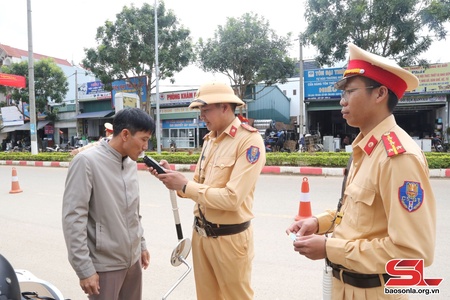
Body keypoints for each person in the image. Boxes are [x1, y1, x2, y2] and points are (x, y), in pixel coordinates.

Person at [286, 43, 436, 299]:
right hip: (344, 288)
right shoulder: (366, 147)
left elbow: (414, 253)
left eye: (349, 92)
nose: (342, 101)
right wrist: (318, 222)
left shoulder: (398, 157)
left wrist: (330, 249)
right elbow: (356, 214)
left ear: (380, 94)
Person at [149, 81, 266, 300]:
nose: (202, 116)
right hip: (200, 235)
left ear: (225, 107)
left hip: (229, 239)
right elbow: (197, 186)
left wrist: (185, 185)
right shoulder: (210, 140)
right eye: (200, 111)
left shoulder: (249, 141)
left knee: (236, 297)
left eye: (206, 110)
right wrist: (173, 179)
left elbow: (232, 198)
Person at [62, 108, 154, 300]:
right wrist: (84, 269)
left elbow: (133, 211)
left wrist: (141, 245)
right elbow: (74, 219)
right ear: (125, 135)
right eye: (144, 139)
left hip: (132, 262)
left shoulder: (129, 163)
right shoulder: (86, 162)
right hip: (105, 266)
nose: (146, 146)